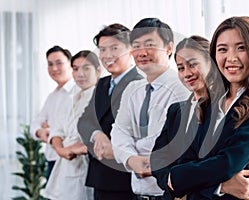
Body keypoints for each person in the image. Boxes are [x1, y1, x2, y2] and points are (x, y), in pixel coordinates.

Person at [165, 16, 249, 200]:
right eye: (222, 49)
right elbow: (186, 160)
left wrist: (180, 177)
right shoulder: (209, 102)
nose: (231, 58)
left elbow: (229, 162)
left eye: (241, 48)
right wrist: (222, 186)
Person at [151, 35, 249, 200]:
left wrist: (180, 179)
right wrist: (171, 180)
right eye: (180, 68)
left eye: (192, 65)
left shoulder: (224, 109)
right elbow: (158, 159)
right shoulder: (176, 110)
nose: (187, 73)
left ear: (212, 63)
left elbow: (218, 164)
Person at [110, 18, 190, 199]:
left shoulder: (183, 87)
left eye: (149, 44)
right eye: (136, 46)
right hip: (138, 193)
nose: (142, 52)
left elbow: (172, 143)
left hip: (170, 194)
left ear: (169, 48)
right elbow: (119, 132)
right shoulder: (132, 89)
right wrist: (131, 159)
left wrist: (139, 152)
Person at [77, 23, 143, 200]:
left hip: (124, 178)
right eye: (102, 50)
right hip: (100, 176)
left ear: (130, 49)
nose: (107, 55)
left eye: (114, 48)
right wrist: (97, 134)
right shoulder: (103, 84)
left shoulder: (140, 83)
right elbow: (84, 121)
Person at [43, 50, 100, 200]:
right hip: (64, 166)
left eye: (86, 68)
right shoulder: (71, 97)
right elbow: (57, 129)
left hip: (87, 167)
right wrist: (61, 149)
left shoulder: (100, 98)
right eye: (75, 68)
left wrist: (78, 148)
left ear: (98, 70)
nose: (80, 74)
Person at [30, 45, 76, 180]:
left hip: (69, 161)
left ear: (70, 64)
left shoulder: (78, 92)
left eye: (59, 63)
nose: (54, 68)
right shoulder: (52, 96)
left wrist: (51, 128)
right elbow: (35, 124)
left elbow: (68, 131)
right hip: (51, 159)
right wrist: (41, 131)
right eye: (50, 64)